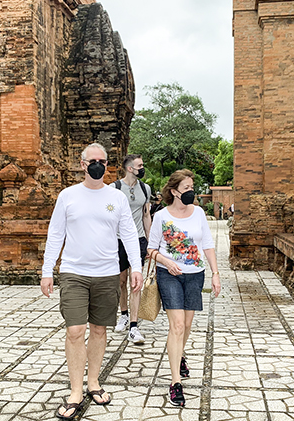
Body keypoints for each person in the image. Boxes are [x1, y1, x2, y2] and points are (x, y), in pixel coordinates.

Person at [41, 143, 143, 420]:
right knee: (75, 331)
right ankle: (76, 391)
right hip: (74, 272)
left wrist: (136, 266)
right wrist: (47, 270)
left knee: (99, 330)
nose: (97, 164)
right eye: (92, 160)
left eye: (103, 160)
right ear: (83, 164)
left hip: (107, 273)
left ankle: (93, 382)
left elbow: (129, 234)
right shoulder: (68, 196)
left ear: (107, 164)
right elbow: (56, 234)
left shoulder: (117, 198)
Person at [147, 169, 221, 407]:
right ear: (174, 191)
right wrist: (167, 262)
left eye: (192, 187)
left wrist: (215, 273)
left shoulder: (198, 213)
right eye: (187, 188)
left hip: (194, 275)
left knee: (186, 325)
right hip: (169, 275)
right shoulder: (161, 216)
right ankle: (175, 382)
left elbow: (207, 244)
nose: (191, 192)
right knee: (177, 325)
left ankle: (179, 356)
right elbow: (151, 249)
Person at [111, 154, 152, 344]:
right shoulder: (115, 189)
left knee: (136, 282)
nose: (142, 168)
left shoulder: (145, 188)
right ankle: (124, 314)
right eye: (140, 165)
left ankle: (134, 327)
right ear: (130, 168)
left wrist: (151, 242)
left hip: (138, 239)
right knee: (121, 281)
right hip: (119, 240)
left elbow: (146, 216)